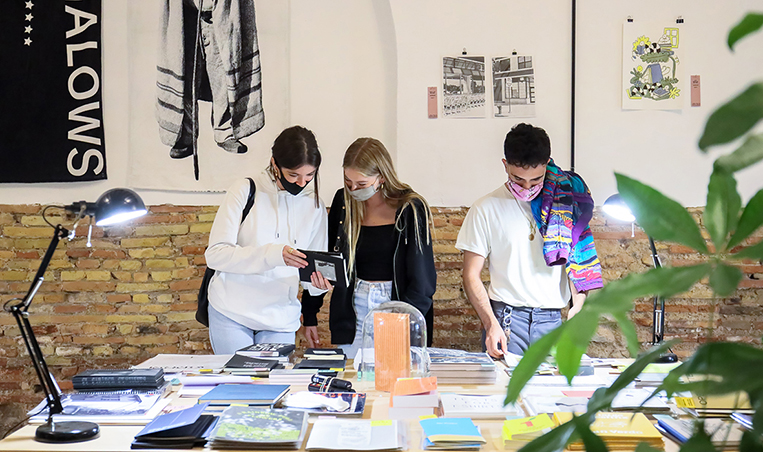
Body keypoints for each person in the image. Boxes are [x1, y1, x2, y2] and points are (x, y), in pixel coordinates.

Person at [456, 123, 603, 358]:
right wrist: (490, 324)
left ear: (546, 165)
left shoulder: (564, 203)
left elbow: (576, 258)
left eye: (536, 180)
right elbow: (471, 275)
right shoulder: (485, 209)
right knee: (505, 392)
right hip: (506, 319)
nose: (526, 187)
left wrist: (578, 305)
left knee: (555, 393)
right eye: (518, 179)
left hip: (553, 320)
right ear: (505, 165)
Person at [303, 138, 436, 359]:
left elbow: (423, 279)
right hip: (353, 306)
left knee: (394, 381)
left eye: (362, 184)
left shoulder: (410, 208)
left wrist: (406, 319)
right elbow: (327, 258)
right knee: (354, 378)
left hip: (397, 305)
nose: (353, 189)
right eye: (348, 181)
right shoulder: (343, 202)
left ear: (381, 177)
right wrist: (310, 313)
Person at [204, 126, 327, 354]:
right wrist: (273, 254)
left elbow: (310, 271)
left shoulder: (315, 206)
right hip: (231, 311)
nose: (301, 183)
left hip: (280, 318)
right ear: (274, 164)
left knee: (272, 385)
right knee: (238, 385)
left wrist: (320, 285)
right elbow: (216, 254)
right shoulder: (245, 189)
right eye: (293, 175)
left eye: (309, 176)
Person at [156, 0, 264, 164]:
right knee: (184, 73)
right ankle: (185, 135)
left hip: (220, 13)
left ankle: (225, 131)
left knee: (223, 72)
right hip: (186, 14)